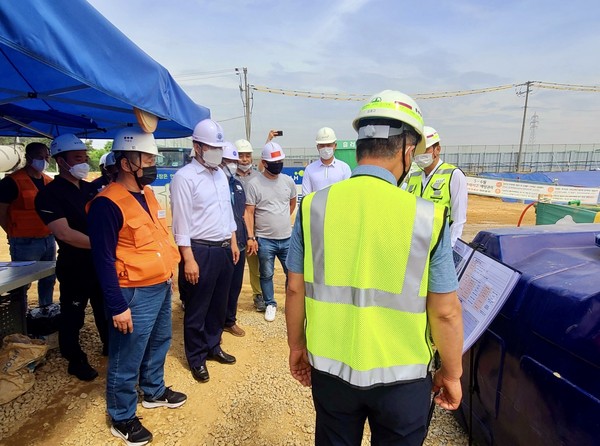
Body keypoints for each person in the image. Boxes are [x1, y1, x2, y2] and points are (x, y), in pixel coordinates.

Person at [285, 90, 464, 446]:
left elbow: (294, 289)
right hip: (403, 380)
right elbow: (445, 312)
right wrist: (453, 372)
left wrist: (296, 347)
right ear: (407, 150)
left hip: (332, 374)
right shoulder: (426, 217)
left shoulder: (314, 209)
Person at [87, 128, 186, 446]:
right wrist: (117, 306)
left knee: (160, 342)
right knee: (126, 355)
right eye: (146, 158)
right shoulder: (106, 204)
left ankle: (154, 391)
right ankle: (122, 415)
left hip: (159, 285)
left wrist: (168, 275)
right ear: (126, 163)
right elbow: (102, 260)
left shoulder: (147, 194)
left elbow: (157, 239)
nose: (152, 164)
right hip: (132, 292)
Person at [171, 119, 239, 384]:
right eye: (211, 147)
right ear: (196, 146)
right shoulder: (185, 178)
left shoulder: (220, 174)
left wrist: (232, 241)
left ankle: (213, 345)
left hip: (223, 248)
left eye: (219, 147)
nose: (216, 152)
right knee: (198, 307)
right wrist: (188, 259)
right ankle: (196, 356)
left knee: (218, 305)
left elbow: (227, 212)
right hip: (200, 251)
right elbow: (181, 223)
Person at [34, 134, 108, 381]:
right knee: (73, 315)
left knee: (104, 308)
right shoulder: (49, 195)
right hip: (75, 265)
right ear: (61, 161)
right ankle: (74, 357)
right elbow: (65, 234)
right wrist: (104, 245)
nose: (83, 162)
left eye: (85, 157)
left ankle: (110, 345)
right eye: (77, 158)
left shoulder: (91, 188)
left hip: (100, 263)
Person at [245, 142, 297, 322]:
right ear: (264, 163)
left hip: (287, 238)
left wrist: (279, 219)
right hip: (265, 240)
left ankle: (293, 304)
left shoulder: (288, 181)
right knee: (266, 274)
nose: (278, 164)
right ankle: (270, 304)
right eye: (274, 161)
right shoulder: (254, 184)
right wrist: (251, 236)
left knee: (292, 273)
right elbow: (249, 212)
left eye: (280, 161)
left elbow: (291, 203)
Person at [0, 142, 56, 307]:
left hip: (48, 239)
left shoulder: (48, 181)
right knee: (22, 284)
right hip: (24, 242)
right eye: (40, 157)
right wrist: (11, 232)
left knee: (48, 280)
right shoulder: (12, 182)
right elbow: (1, 212)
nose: (44, 160)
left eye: (47, 157)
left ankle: (46, 312)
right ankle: (21, 317)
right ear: (28, 157)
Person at [405, 126, 467, 246]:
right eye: (417, 150)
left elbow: (458, 220)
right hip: (414, 246)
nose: (420, 154)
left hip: (439, 246)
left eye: (425, 149)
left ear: (437, 149)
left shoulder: (453, 175)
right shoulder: (413, 176)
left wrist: (449, 250)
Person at [233, 139, 264, 312]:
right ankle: (230, 299)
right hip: (235, 230)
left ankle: (258, 295)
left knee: (255, 266)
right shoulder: (228, 178)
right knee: (232, 267)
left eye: (247, 156)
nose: (244, 159)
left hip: (253, 228)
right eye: (241, 155)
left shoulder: (258, 178)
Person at [221, 141, 247, 337]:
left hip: (240, 242)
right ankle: (216, 322)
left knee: (235, 285)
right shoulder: (215, 184)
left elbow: (242, 213)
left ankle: (230, 320)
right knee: (221, 285)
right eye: (228, 161)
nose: (232, 164)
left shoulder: (238, 184)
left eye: (234, 161)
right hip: (222, 245)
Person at [301, 127, 351, 196]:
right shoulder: (310, 169)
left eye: (328, 145)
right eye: (322, 145)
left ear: (335, 146)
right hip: (316, 207)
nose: (325, 148)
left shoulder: (344, 168)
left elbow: (348, 194)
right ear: (317, 147)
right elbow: (306, 197)